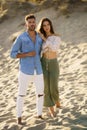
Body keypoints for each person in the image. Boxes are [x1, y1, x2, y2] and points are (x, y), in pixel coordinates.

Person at [10, 14, 44, 125]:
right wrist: (27, 54)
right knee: (21, 94)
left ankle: (39, 114)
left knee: (40, 93)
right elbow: (12, 54)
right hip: (25, 71)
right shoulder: (21, 37)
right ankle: (19, 117)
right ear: (26, 24)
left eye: (33, 22)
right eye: (29, 22)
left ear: (35, 23)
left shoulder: (39, 36)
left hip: (38, 70)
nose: (32, 24)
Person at [38, 17, 61, 117]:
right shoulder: (40, 39)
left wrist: (45, 40)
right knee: (46, 88)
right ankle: (51, 110)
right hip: (43, 62)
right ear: (42, 27)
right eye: (44, 25)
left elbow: (54, 48)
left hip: (53, 63)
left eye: (48, 24)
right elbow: (39, 51)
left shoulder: (56, 37)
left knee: (53, 87)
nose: (46, 27)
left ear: (50, 25)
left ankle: (57, 102)